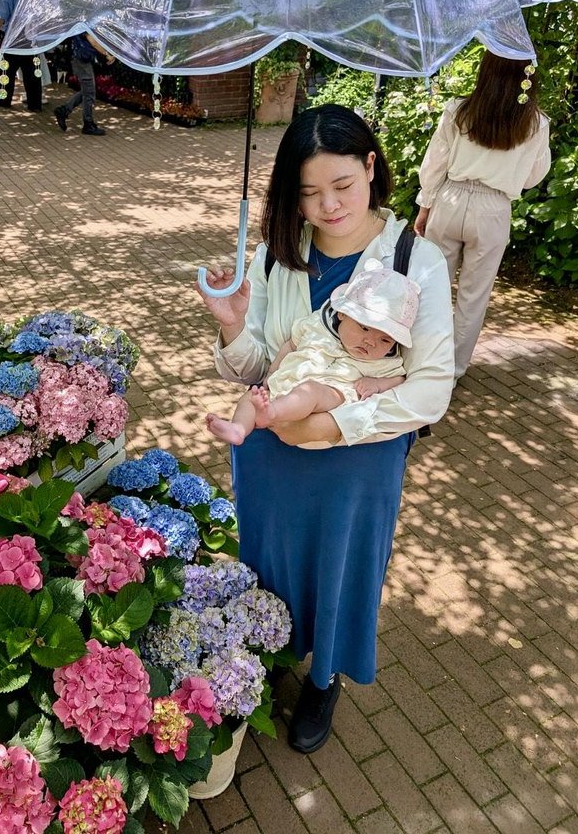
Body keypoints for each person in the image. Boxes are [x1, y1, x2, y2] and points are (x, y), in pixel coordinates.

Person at [197, 104, 453, 754]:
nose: (328, 206)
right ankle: (269, 653)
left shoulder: (413, 259)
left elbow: (430, 387)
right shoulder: (279, 254)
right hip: (271, 455)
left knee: (342, 567)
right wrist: (231, 323)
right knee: (271, 559)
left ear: (371, 166)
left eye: (341, 185)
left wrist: (335, 425)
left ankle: (324, 675)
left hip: (356, 459)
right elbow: (255, 366)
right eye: (309, 193)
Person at [414, 52, 551, 382]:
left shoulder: (458, 111)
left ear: (486, 70)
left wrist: (425, 206)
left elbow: (435, 164)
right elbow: (534, 175)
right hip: (493, 209)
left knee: (429, 287)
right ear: (528, 77)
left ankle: (418, 360)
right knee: (473, 298)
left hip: (450, 197)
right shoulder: (536, 123)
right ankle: (452, 370)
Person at [207, 259, 419, 446]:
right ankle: (238, 429)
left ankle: (271, 413)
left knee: (311, 391)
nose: (370, 342)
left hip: (329, 396)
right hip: (286, 383)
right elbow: (291, 344)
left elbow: (400, 378)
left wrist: (377, 384)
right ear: (342, 314)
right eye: (364, 328)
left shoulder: (385, 361)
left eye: (385, 339)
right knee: (250, 398)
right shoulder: (318, 326)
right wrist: (272, 373)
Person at [53, 33, 113, 136]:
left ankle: (63, 111)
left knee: (87, 91)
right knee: (89, 93)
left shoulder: (81, 22)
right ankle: (87, 124)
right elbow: (93, 43)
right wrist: (107, 54)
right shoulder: (84, 24)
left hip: (79, 59)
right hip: (82, 60)